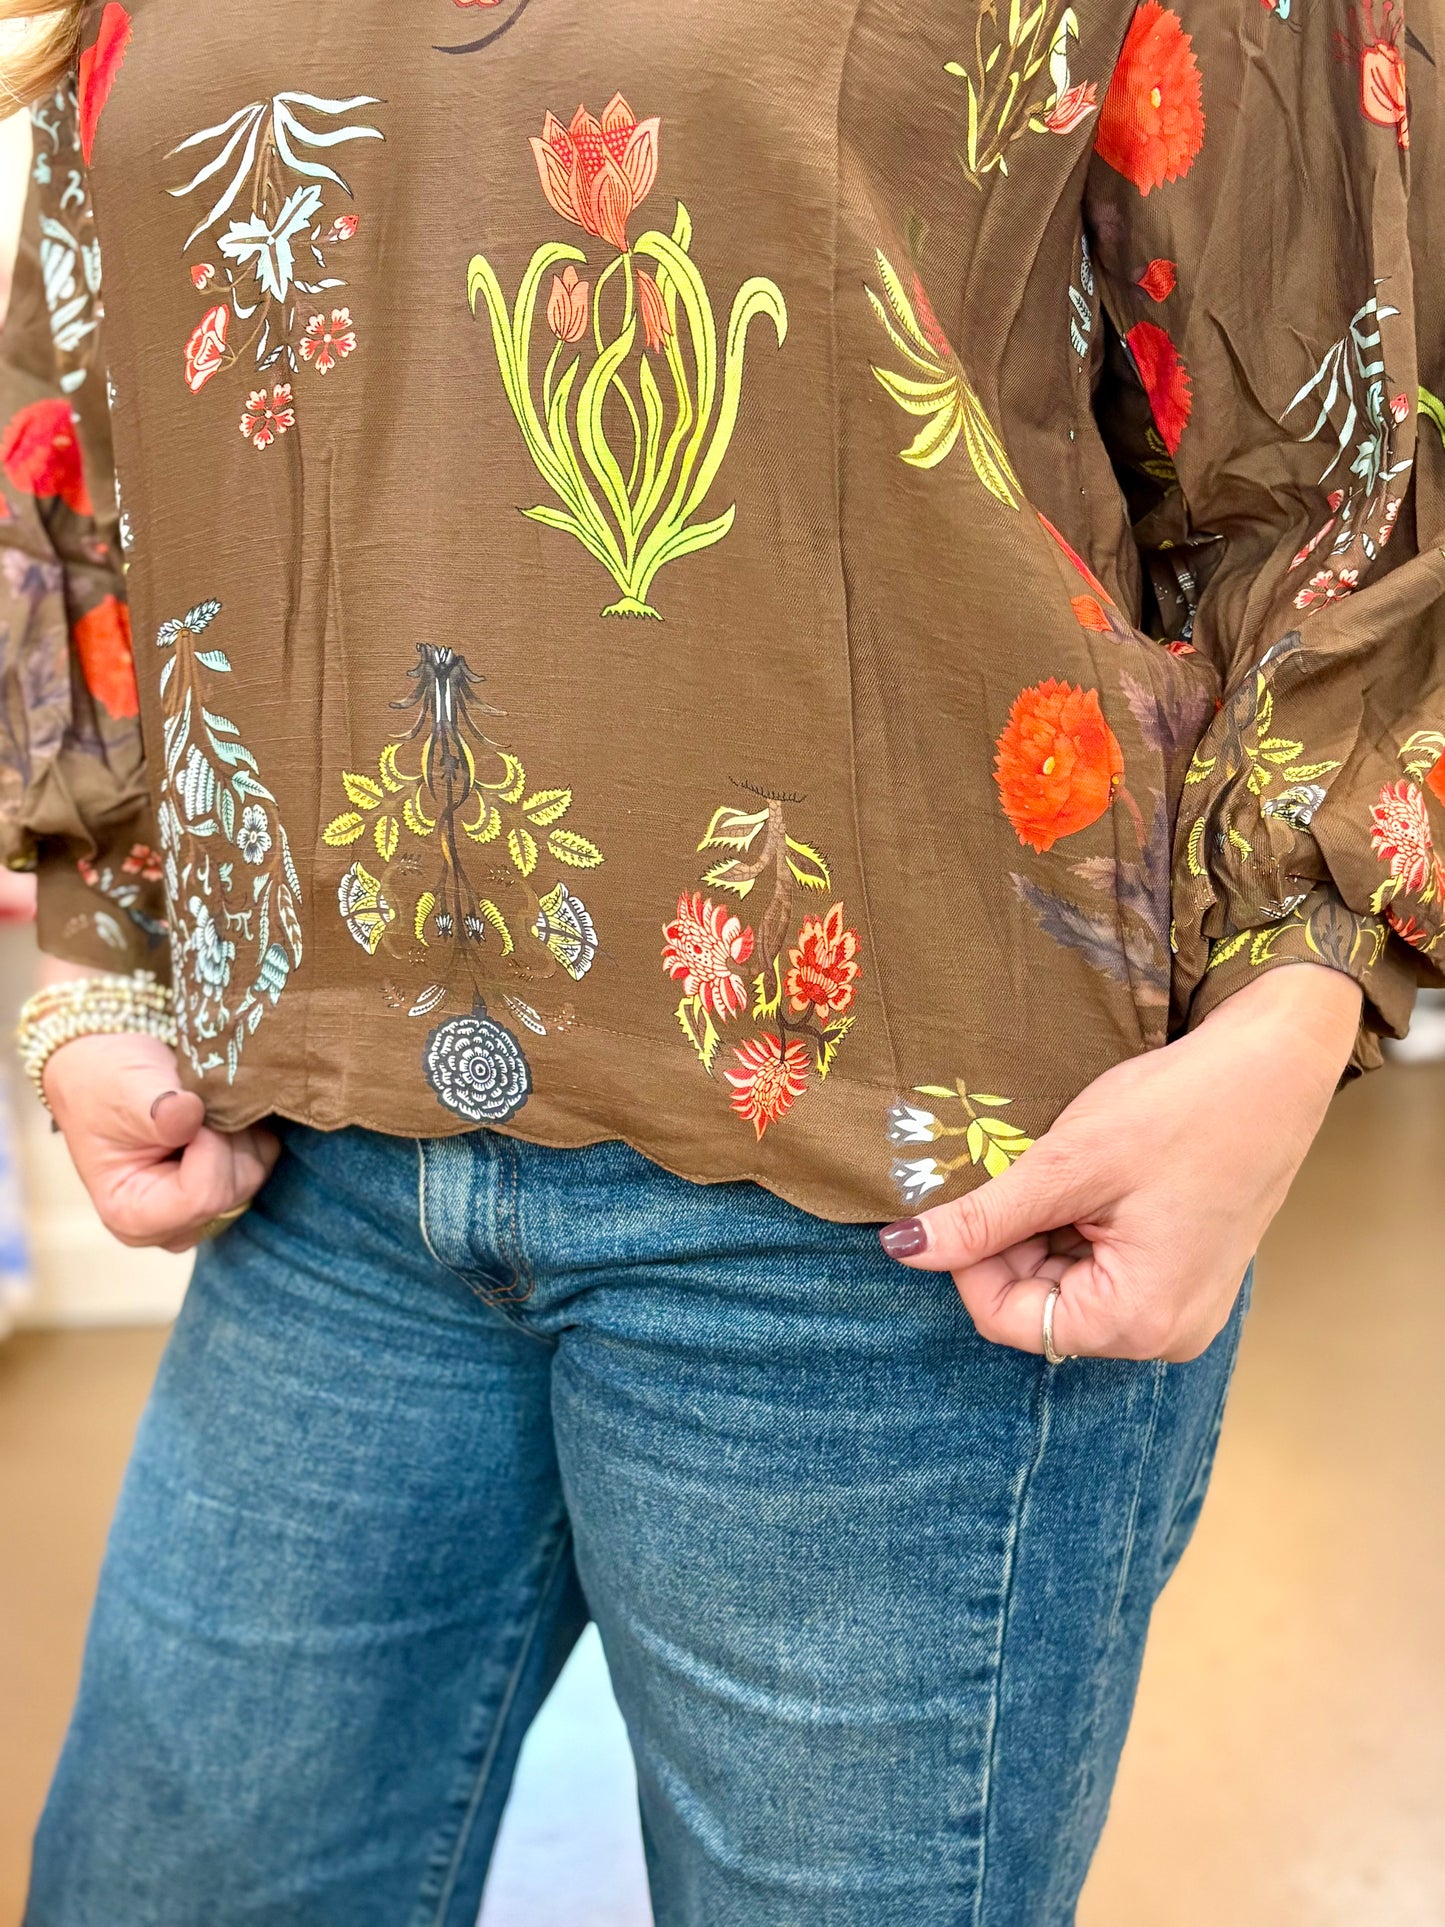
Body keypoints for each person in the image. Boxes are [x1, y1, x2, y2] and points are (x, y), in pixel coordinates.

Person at [5, 1, 1442, 1921]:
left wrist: (1297, 995)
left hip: (901, 1212)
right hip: (324, 1170)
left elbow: (1344, 423)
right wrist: (104, 948)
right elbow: (91, 392)